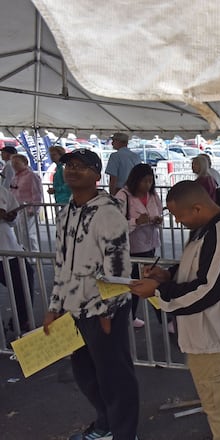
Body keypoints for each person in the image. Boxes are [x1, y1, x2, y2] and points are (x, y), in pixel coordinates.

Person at [129, 180, 220, 440]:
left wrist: (158, 291)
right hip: (206, 339)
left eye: (179, 215)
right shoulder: (206, 231)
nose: (178, 221)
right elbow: (199, 271)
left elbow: (209, 288)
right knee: (218, 408)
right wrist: (166, 275)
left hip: (216, 339)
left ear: (197, 208)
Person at [42, 149, 139, 440]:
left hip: (103, 310)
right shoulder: (65, 213)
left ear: (97, 176)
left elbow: (118, 265)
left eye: (81, 167)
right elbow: (61, 264)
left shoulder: (107, 213)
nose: (72, 170)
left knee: (115, 377)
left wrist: (109, 310)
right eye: (69, 166)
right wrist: (54, 306)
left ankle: (125, 433)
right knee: (85, 374)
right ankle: (105, 424)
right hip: (73, 309)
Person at [114, 163, 164, 329]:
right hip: (132, 249)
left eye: (150, 181)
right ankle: (160, 318)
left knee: (147, 282)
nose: (147, 185)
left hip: (150, 245)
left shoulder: (153, 195)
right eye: (144, 181)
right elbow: (116, 225)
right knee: (139, 284)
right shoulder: (123, 196)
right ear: (136, 180)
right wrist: (136, 222)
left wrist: (157, 220)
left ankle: (138, 316)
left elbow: (158, 212)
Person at [0, 184, 35, 334]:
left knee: (24, 281)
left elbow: (13, 216)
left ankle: (22, 321)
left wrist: (11, 216)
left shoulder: (2, 191)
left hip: (9, 247)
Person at [9, 154, 43, 252]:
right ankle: (24, 253)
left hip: (27, 208)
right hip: (16, 208)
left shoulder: (32, 176)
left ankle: (33, 254)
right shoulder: (15, 176)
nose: (14, 165)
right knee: (18, 232)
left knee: (28, 233)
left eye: (17, 163)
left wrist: (33, 208)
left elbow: (37, 193)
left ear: (25, 163)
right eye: (13, 163)